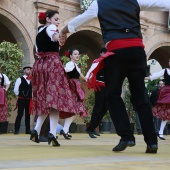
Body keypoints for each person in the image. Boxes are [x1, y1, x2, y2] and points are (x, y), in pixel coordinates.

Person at [59, 0, 170, 153]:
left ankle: (127, 137)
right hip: (137, 51)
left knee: (112, 95)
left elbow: (82, 18)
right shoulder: (135, 0)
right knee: (141, 97)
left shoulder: (99, 3)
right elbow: (164, 4)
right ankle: (152, 142)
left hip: (116, 52)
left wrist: (63, 31)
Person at [30, 10, 87, 146]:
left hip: (40, 65)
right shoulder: (51, 28)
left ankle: (37, 131)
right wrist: (59, 35)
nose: (58, 21)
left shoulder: (39, 32)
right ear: (48, 19)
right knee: (56, 100)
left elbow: (38, 50)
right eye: (56, 19)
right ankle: (52, 133)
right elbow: (54, 36)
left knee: (47, 100)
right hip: (52, 65)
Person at [60, 48, 87, 140]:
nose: (77, 55)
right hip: (71, 89)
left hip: (76, 89)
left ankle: (65, 130)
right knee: (75, 110)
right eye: (75, 54)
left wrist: (86, 79)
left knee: (76, 110)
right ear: (70, 56)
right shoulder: (70, 64)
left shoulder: (75, 65)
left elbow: (80, 75)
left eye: (78, 54)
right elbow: (65, 70)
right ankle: (64, 130)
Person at [85, 48, 107, 138]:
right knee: (98, 107)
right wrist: (87, 77)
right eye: (105, 53)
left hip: (107, 87)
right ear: (101, 53)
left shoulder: (110, 62)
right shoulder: (97, 61)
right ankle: (91, 128)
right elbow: (91, 69)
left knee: (105, 108)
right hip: (99, 86)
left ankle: (93, 127)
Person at [146, 61, 170, 140]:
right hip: (167, 93)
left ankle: (160, 132)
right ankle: (160, 132)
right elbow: (154, 76)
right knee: (167, 113)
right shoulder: (166, 70)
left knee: (167, 115)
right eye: (169, 61)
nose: (169, 62)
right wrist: (142, 77)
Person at [13, 66, 32, 134]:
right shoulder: (19, 79)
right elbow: (15, 89)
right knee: (20, 114)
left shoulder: (31, 80)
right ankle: (16, 130)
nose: (29, 70)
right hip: (21, 99)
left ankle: (28, 130)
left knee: (28, 115)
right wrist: (20, 95)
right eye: (27, 69)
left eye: (30, 69)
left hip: (29, 100)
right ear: (24, 71)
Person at [0, 67, 10, 134]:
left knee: (2, 109)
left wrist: (5, 90)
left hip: (1, 93)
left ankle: (1, 129)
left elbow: (8, 83)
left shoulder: (3, 76)